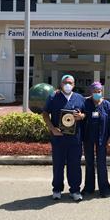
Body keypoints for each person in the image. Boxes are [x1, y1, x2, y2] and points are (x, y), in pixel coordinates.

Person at [42, 74, 86, 202]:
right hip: (58, 138)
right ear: (61, 84)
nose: (68, 85)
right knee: (58, 164)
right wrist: (52, 129)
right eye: (65, 82)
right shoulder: (53, 97)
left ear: (74, 85)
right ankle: (57, 189)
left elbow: (85, 113)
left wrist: (81, 116)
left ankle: (75, 190)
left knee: (75, 165)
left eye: (70, 83)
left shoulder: (79, 98)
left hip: (75, 139)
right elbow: (45, 114)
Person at [82, 81, 110, 198]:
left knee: (102, 163)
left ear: (102, 91)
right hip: (88, 137)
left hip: (102, 138)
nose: (97, 93)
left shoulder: (107, 104)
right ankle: (89, 188)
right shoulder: (86, 103)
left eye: (99, 91)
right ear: (91, 92)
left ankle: (104, 189)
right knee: (89, 162)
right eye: (95, 91)